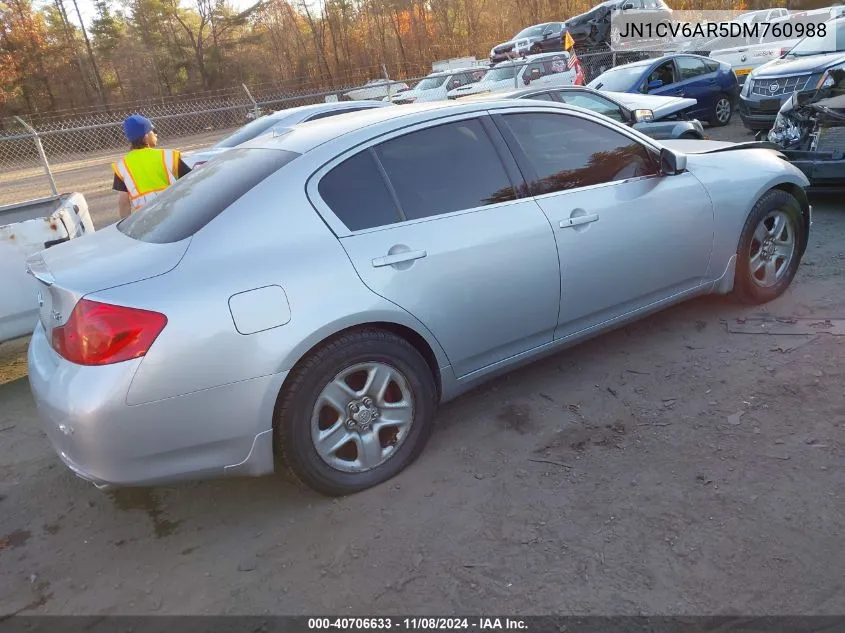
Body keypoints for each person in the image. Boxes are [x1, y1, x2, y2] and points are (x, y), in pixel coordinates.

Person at [112, 114, 192, 218]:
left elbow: (123, 202)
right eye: (153, 131)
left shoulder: (122, 165)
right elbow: (191, 182)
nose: (156, 134)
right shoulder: (168, 156)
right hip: (175, 214)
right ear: (145, 136)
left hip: (146, 219)